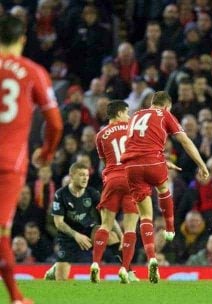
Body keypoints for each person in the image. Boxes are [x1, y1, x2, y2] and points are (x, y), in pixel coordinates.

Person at [0, 15, 63, 304]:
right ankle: (15, 298)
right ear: (23, 38)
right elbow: (56, 123)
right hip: (9, 164)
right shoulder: (32, 72)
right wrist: (47, 153)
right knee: (2, 230)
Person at [121, 91, 209, 283]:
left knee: (145, 216)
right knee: (163, 190)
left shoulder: (135, 115)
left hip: (131, 166)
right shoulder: (165, 114)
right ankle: (169, 229)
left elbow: (136, 144)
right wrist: (202, 164)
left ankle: (151, 257)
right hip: (153, 163)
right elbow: (184, 141)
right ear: (167, 106)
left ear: (152, 103)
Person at [89, 100, 139, 284]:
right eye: (127, 112)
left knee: (105, 226)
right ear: (118, 114)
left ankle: (95, 264)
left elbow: (105, 161)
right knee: (130, 228)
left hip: (112, 179)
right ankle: (125, 269)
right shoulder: (133, 129)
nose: (129, 116)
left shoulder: (100, 135)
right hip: (131, 180)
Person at [44, 163, 118, 281]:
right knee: (61, 281)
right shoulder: (60, 194)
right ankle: (55, 269)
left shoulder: (92, 193)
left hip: (88, 231)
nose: (85, 178)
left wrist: (121, 234)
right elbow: (58, 223)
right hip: (68, 237)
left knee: (112, 236)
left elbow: (108, 217)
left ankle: (126, 269)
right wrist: (76, 235)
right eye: (81, 175)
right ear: (72, 176)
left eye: (87, 175)